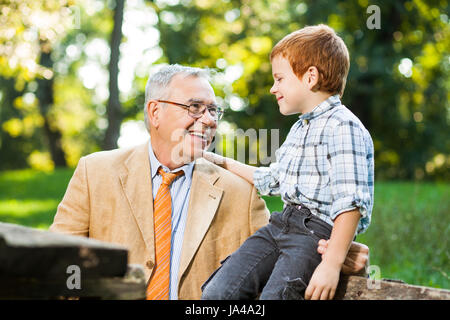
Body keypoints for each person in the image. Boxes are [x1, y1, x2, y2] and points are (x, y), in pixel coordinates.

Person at [50, 64, 369, 300]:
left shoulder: (241, 192)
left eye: (214, 110)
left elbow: (279, 268)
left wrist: (335, 257)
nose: (209, 120)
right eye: (194, 108)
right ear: (155, 112)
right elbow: (57, 266)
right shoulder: (95, 173)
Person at [201, 25, 374, 300]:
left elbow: (350, 203)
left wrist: (331, 264)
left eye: (279, 79)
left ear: (310, 77)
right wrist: (219, 162)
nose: (273, 88)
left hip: (314, 235)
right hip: (279, 225)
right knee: (217, 292)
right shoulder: (299, 129)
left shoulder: (343, 127)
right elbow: (273, 179)